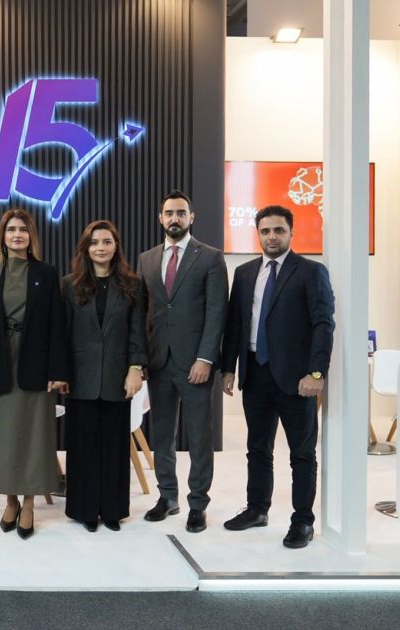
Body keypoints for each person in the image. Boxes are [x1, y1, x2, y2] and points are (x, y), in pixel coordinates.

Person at [221, 205, 335, 549]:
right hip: (255, 373)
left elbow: (323, 323)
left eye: (279, 230)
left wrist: (316, 372)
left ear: (291, 233)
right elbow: (235, 323)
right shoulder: (244, 273)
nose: (272, 237)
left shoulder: (311, 271)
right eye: (266, 231)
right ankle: (257, 509)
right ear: (258, 233)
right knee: (257, 448)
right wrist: (228, 367)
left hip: (297, 380)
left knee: (302, 453)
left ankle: (302, 521)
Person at [137, 190, 228, 533]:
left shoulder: (210, 258)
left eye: (180, 212)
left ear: (192, 217)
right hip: (159, 361)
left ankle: (198, 504)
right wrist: (141, 358)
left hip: (195, 364)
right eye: (169, 213)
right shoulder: (147, 259)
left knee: (199, 437)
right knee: (162, 435)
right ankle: (168, 497)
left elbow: (217, 312)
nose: (174, 218)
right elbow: (142, 312)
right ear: (160, 218)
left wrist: (206, 358)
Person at [0, 209, 68, 539]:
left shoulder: (46, 273)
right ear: (2, 236)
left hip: (35, 363)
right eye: (11, 229)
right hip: (0, 363)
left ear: (32, 236)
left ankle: (29, 503)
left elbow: (57, 323)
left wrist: (58, 370)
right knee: (4, 437)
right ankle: (10, 501)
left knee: (35, 435)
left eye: (23, 230)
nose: (17, 235)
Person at [61, 220, 146, 532]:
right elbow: (62, 334)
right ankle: (84, 510)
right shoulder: (69, 285)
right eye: (94, 242)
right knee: (82, 446)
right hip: (79, 377)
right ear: (86, 248)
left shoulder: (132, 284)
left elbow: (138, 330)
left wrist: (136, 368)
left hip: (117, 376)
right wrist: (61, 373)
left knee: (114, 447)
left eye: (107, 241)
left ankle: (112, 509)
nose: (101, 247)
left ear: (116, 246)